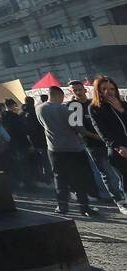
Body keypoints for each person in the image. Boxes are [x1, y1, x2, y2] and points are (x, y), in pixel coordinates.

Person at [36, 86, 97, 217]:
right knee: (79, 178)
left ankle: (62, 206)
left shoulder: (39, 109)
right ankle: (84, 207)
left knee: (59, 178)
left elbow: (43, 125)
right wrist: (98, 137)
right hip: (74, 149)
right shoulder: (67, 110)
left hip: (54, 149)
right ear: (60, 95)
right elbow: (80, 130)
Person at [69, 80, 126, 210]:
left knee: (119, 173)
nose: (78, 92)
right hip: (94, 144)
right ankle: (118, 200)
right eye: (75, 90)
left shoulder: (94, 103)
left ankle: (122, 196)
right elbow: (78, 128)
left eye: (80, 89)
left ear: (85, 89)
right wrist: (99, 137)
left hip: (110, 143)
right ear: (71, 92)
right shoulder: (73, 106)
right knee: (106, 173)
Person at [88, 77, 127, 213]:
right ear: (98, 91)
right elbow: (102, 131)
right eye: (104, 89)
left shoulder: (123, 104)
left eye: (111, 89)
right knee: (124, 177)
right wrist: (117, 146)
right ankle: (123, 201)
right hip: (118, 149)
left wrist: (121, 109)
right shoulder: (95, 108)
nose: (108, 92)